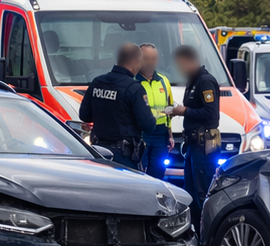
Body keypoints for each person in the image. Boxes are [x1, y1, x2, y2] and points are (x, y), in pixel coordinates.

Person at [77, 42, 155, 170]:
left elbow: (85, 115)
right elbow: (148, 125)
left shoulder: (97, 82)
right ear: (135, 61)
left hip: (98, 150)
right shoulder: (134, 88)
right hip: (124, 156)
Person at [170, 44, 219, 227]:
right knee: (189, 193)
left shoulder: (205, 81)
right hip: (192, 145)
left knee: (202, 193)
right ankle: (194, 232)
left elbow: (211, 113)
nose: (180, 69)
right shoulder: (193, 81)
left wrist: (184, 111)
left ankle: (207, 233)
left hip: (204, 145)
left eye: (181, 64)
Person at [136, 43, 174, 180]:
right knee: (138, 174)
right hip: (141, 134)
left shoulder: (164, 81)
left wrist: (170, 135)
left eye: (154, 58)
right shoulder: (133, 81)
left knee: (158, 173)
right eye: (147, 58)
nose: (151, 62)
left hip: (160, 135)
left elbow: (169, 109)